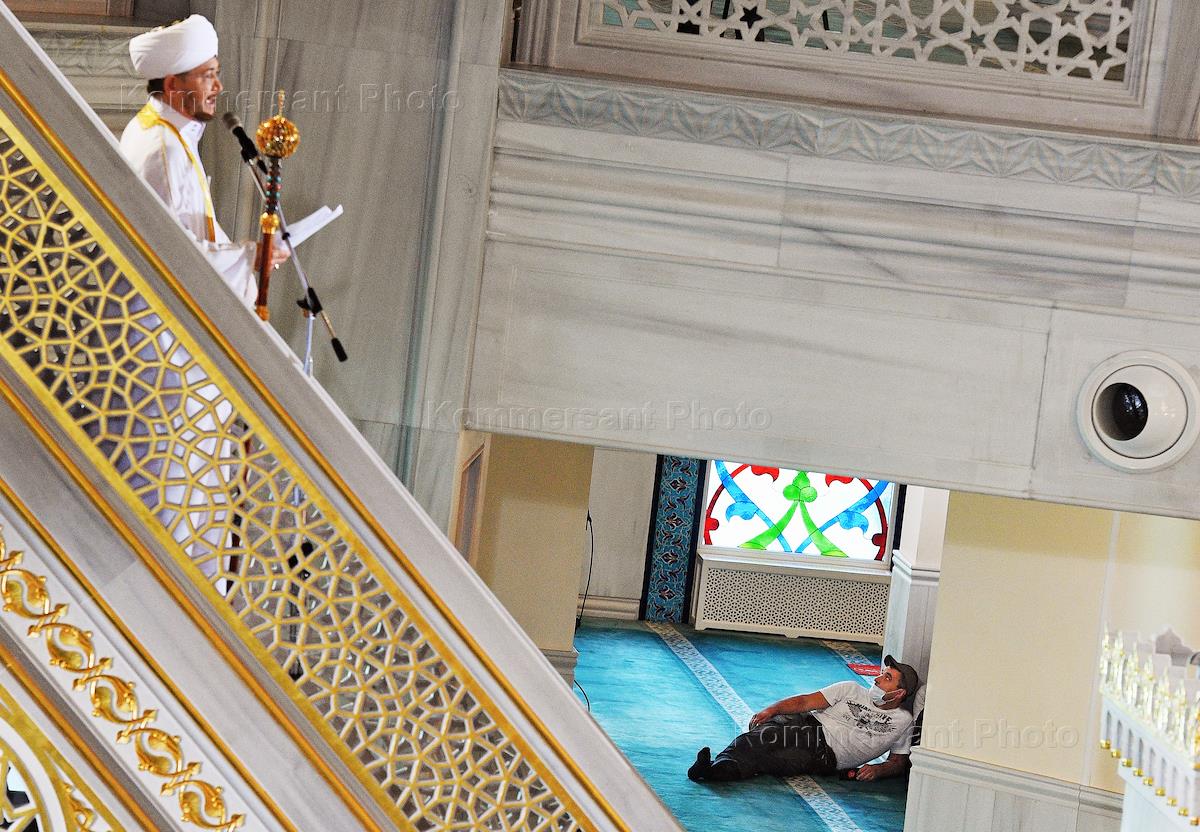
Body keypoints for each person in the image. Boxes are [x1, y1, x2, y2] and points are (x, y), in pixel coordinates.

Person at [120, 14, 286, 309]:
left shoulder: (167, 132)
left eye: (216, 74)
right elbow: (169, 255)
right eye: (207, 76)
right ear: (172, 85)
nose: (218, 87)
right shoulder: (163, 149)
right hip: (157, 323)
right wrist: (249, 257)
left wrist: (247, 257)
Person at [687, 655, 919, 783]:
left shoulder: (903, 721)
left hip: (824, 756)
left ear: (899, 693)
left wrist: (878, 770)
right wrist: (772, 710)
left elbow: (898, 762)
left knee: (770, 760)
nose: (877, 679)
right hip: (807, 724)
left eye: (887, 678)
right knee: (762, 736)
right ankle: (712, 768)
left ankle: (714, 770)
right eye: (881, 673)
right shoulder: (851, 689)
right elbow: (805, 702)